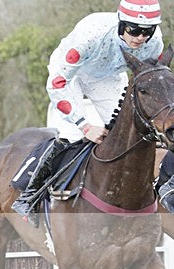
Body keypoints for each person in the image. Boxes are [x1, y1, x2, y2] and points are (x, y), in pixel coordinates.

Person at [12, 0, 163, 221]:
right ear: (121, 23)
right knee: (70, 134)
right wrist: (85, 125)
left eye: (147, 31)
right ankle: (30, 194)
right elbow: (57, 83)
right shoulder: (91, 35)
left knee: (129, 132)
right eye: (134, 30)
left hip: (108, 78)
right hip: (70, 74)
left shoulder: (155, 43)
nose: (140, 37)